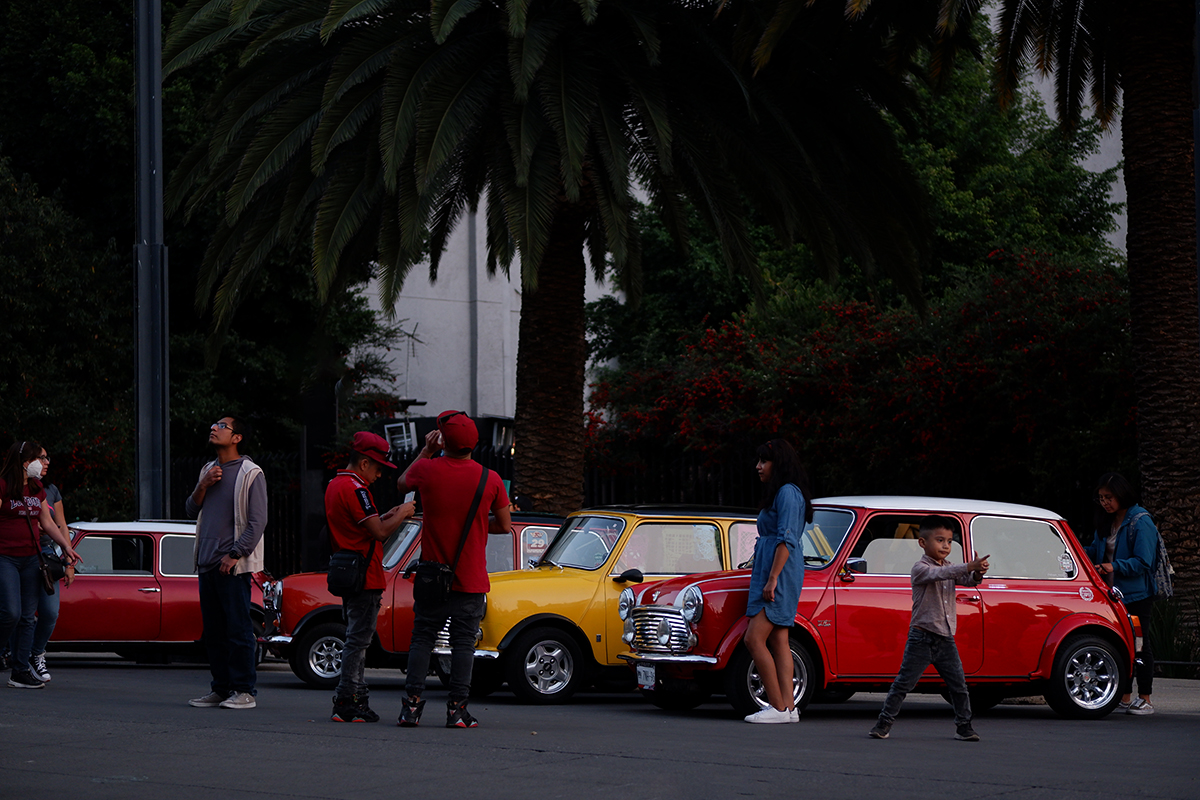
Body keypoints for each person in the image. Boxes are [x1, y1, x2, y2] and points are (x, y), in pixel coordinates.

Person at [395, 410, 511, 728]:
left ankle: (412, 707)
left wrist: (426, 451)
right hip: (470, 578)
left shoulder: (428, 470)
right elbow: (504, 525)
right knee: (462, 644)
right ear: (473, 443)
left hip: (433, 576)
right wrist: (476, 523)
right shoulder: (491, 479)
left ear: (443, 440)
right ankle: (457, 710)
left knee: (422, 639)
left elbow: (401, 482)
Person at [869, 515, 989, 741]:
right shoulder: (920, 568)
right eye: (940, 540)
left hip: (945, 638)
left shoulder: (951, 568)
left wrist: (977, 571)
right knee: (904, 683)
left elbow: (967, 579)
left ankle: (964, 727)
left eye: (950, 541)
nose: (946, 546)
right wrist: (968, 567)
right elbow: (940, 574)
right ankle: (883, 724)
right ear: (923, 543)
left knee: (959, 686)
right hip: (921, 637)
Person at [326, 432, 416, 722]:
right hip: (365, 575)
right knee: (359, 640)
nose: (379, 475)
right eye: (378, 468)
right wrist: (402, 513)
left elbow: (364, 525)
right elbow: (378, 532)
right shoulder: (357, 490)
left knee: (356, 636)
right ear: (364, 463)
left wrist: (388, 513)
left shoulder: (335, 485)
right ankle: (348, 700)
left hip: (348, 571)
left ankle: (352, 698)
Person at [185, 416, 267, 710]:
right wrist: (202, 485)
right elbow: (191, 507)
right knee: (214, 632)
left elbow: (258, 521)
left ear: (237, 438)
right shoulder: (208, 469)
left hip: (232, 565)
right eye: (214, 424)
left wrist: (234, 554)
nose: (214, 428)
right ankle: (220, 689)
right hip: (206, 562)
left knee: (238, 629)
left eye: (222, 426)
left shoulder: (250, 472)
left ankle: (244, 691)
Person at [743, 438, 813, 723]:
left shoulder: (787, 493)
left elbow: (787, 539)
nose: (758, 467)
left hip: (779, 572)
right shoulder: (784, 493)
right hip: (772, 569)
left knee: (753, 638)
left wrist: (772, 579)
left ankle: (778, 707)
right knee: (779, 639)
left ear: (779, 463)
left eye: (764, 461)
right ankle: (788, 708)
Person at [0, 441, 80, 689]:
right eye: (39, 458)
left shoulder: (37, 489)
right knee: (11, 613)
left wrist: (66, 547)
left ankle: (20, 671)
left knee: (27, 617)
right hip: (5, 557)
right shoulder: (3, 485)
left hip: (31, 559)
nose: (44, 463)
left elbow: (47, 522)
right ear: (25, 462)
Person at [1085, 472, 1158, 715]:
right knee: (1118, 644)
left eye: (1109, 497)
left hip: (1136, 596)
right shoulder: (1106, 522)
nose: (1105, 502)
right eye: (1101, 498)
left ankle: (1145, 698)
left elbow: (1144, 562)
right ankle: (1124, 697)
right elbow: (1094, 551)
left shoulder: (1141, 521)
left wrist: (1114, 566)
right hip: (1111, 595)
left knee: (1140, 645)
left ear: (1122, 495)